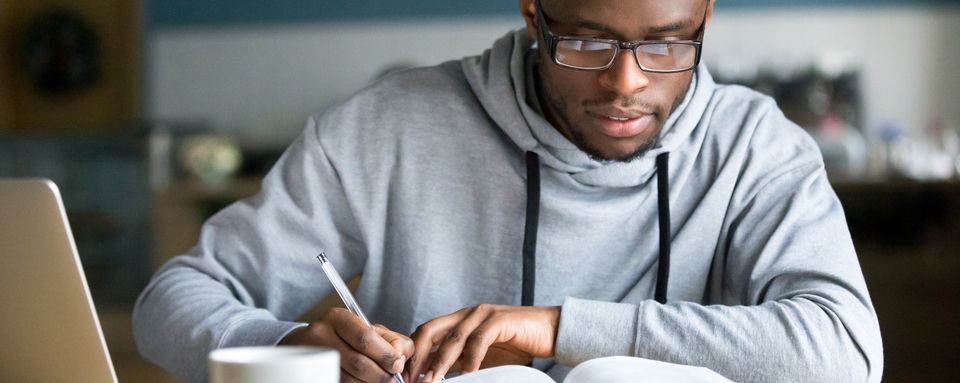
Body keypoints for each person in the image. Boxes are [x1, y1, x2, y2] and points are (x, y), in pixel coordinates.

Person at [133, 0, 884, 382]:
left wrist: (556, 328)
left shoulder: (755, 146)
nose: (626, 83)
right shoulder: (384, 128)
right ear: (533, 10)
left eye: (666, 43)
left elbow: (848, 350)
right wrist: (294, 349)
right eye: (587, 40)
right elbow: (175, 298)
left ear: (707, 14)